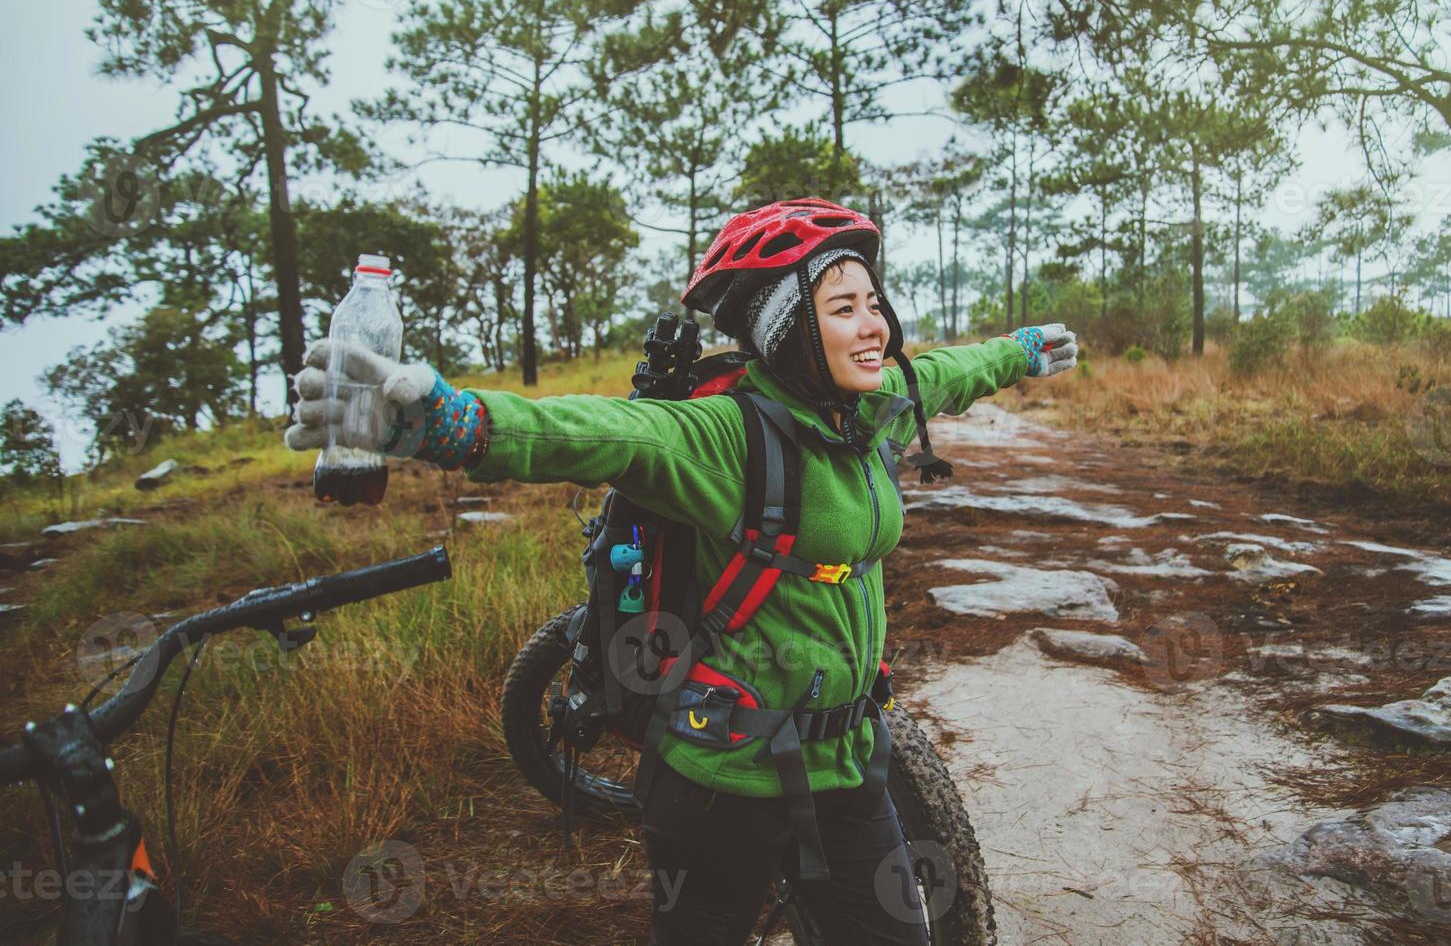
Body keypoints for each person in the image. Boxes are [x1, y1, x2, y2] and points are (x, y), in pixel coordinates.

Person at [284, 197, 1079, 945]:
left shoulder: (867, 409)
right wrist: (458, 424)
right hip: (721, 781)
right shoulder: (725, 436)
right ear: (790, 331)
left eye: (875, 303)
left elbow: (942, 372)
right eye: (842, 309)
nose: (873, 327)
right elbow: (606, 433)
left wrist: (1019, 353)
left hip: (848, 760)